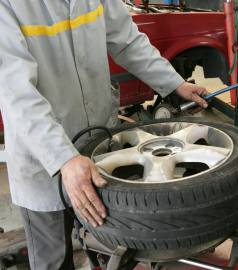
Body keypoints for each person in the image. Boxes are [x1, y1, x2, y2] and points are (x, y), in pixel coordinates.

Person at [0, 0, 209, 269]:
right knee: (53, 258)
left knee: (111, 248)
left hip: (99, 148)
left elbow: (128, 41)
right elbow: (18, 96)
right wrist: (65, 159)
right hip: (44, 162)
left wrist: (174, 83)